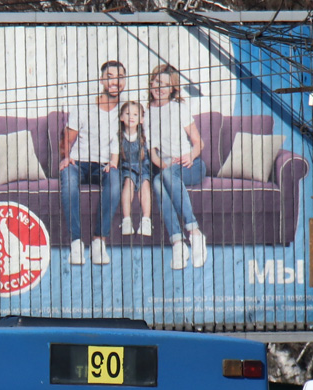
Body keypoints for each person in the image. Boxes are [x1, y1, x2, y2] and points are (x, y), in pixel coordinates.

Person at [59, 60, 125, 266]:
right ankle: (77, 243)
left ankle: (99, 242)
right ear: (102, 80)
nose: (115, 81)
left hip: (105, 165)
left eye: (120, 77)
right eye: (110, 77)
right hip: (79, 163)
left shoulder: (126, 110)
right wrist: (65, 156)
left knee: (115, 180)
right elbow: (66, 140)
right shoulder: (84, 106)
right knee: (68, 181)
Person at [146, 64, 208, 270]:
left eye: (165, 84)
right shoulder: (146, 114)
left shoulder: (179, 108)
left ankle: (194, 233)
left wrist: (190, 155)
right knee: (157, 181)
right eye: (157, 82)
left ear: (173, 89)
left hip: (192, 165)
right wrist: (165, 165)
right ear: (151, 83)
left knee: (161, 178)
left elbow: (199, 142)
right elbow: (152, 153)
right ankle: (178, 243)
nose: (160, 87)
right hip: (167, 168)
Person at [112, 100, 153, 237]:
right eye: (128, 113)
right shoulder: (118, 137)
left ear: (141, 119)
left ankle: (146, 220)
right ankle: (126, 220)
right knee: (128, 184)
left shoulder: (144, 137)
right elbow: (115, 158)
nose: (131, 117)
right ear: (121, 117)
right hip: (127, 169)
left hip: (143, 168)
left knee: (145, 185)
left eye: (136, 114)